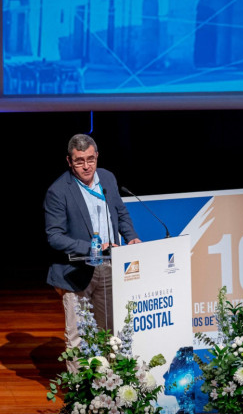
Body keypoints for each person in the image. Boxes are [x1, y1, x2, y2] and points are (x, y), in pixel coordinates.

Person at [44, 133, 141, 360]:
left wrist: (131, 237)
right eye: (79, 161)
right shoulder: (58, 191)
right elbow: (54, 236)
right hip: (76, 271)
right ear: (69, 161)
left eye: (90, 159)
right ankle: (81, 392)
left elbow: (120, 213)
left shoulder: (107, 178)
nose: (86, 166)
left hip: (108, 265)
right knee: (78, 336)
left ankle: (108, 386)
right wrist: (92, 247)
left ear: (97, 156)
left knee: (109, 332)